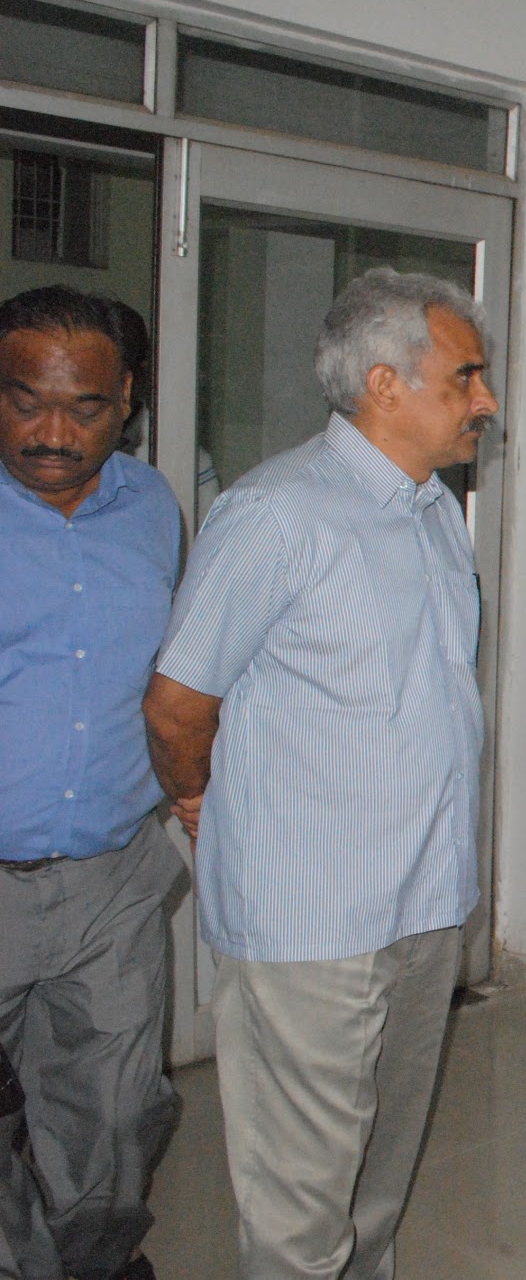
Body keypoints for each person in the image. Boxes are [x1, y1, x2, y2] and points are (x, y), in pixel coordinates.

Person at [142, 268, 498, 1280]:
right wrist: (197, 796)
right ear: (385, 385)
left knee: (379, 1180)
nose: (485, 399)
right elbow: (177, 704)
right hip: (312, 920)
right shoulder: (276, 514)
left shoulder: (434, 513)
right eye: (466, 376)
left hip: (422, 903)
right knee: (302, 1207)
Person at [0, 285, 183, 1280]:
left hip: (112, 876)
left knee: (115, 1113)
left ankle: (90, 1266)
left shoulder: (152, 507)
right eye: (25, 400)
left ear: (128, 404)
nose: (52, 433)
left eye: (85, 407)